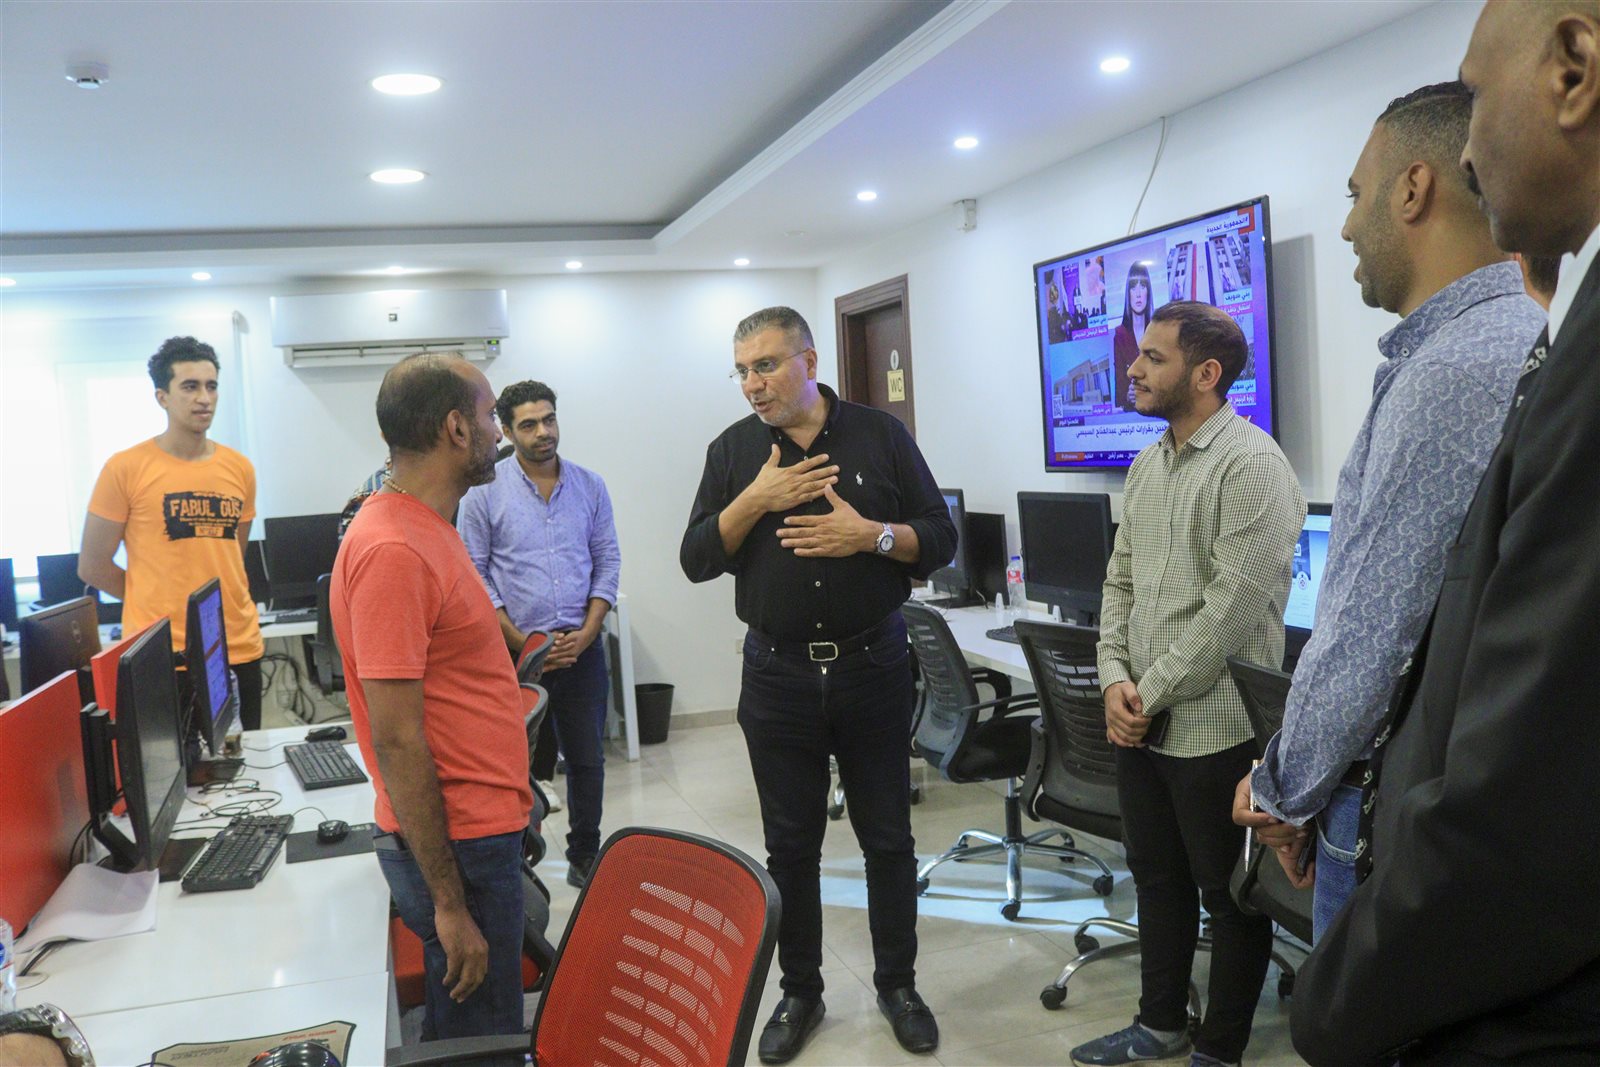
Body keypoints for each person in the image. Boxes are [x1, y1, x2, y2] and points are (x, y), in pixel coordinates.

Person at [1291, 2, 1600, 1061]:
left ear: (1574, 68)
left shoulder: (1467, 366)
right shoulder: (1529, 338)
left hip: (1449, 872)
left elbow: (1383, 626)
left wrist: (1332, 1001)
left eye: (1476, 94)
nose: (1470, 147)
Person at [1233, 81, 1544, 942]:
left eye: (1354, 193)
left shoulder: (1452, 373)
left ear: (1412, 189)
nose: (1344, 226)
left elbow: (1373, 625)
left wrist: (1280, 787)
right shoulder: (1511, 339)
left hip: (1393, 802)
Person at [680, 306, 954, 1064]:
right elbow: (696, 558)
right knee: (790, 846)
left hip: (872, 667)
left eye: (766, 365)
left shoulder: (880, 435)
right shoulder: (733, 451)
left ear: (809, 360)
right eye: (742, 370)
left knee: (888, 839)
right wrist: (756, 500)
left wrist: (872, 536)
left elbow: (941, 535)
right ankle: (800, 991)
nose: (752, 384)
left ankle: (899, 986)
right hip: (778, 675)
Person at [1072, 301, 1305, 1067]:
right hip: (1141, 719)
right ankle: (1159, 1024)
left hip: (1216, 727)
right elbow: (1119, 583)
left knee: (1229, 895)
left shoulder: (1252, 466)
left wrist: (1148, 693)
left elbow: (1228, 616)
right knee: (1155, 878)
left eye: (1153, 357)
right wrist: (1114, 678)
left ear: (1206, 374)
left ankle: (1220, 1049)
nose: (1133, 368)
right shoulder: (1148, 464)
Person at [330, 353, 532, 1045]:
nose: (498, 431)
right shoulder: (394, 548)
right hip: (459, 845)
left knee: (479, 1029)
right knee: (480, 1042)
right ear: (456, 428)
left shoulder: (424, 524)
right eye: (490, 415)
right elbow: (396, 737)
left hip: (476, 831)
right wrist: (448, 901)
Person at [458, 379, 620, 887]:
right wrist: (521, 642)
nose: (543, 431)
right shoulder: (483, 493)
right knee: (513, 765)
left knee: (587, 759)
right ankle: (518, 853)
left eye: (549, 419)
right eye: (528, 424)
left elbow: (607, 560)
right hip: (515, 655)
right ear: (507, 432)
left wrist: (589, 632)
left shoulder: (590, 486)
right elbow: (474, 573)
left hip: (580, 649)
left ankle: (584, 853)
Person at [79, 336, 265, 729]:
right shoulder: (124, 468)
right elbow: (93, 566)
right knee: (171, 767)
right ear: (162, 397)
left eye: (211, 386)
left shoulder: (240, 468)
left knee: (247, 762)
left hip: (236, 646)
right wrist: (153, 602)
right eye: (190, 386)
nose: (204, 398)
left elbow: (233, 556)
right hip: (162, 654)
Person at [1112, 261, 1155, 410]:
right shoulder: (1119, 336)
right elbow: (1119, 391)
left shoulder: (1158, 332)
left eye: (1142, 286)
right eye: (1133, 287)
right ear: (1128, 292)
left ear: (1148, 291)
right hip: (1130, 415)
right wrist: (1127, 395)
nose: (1138, 294)